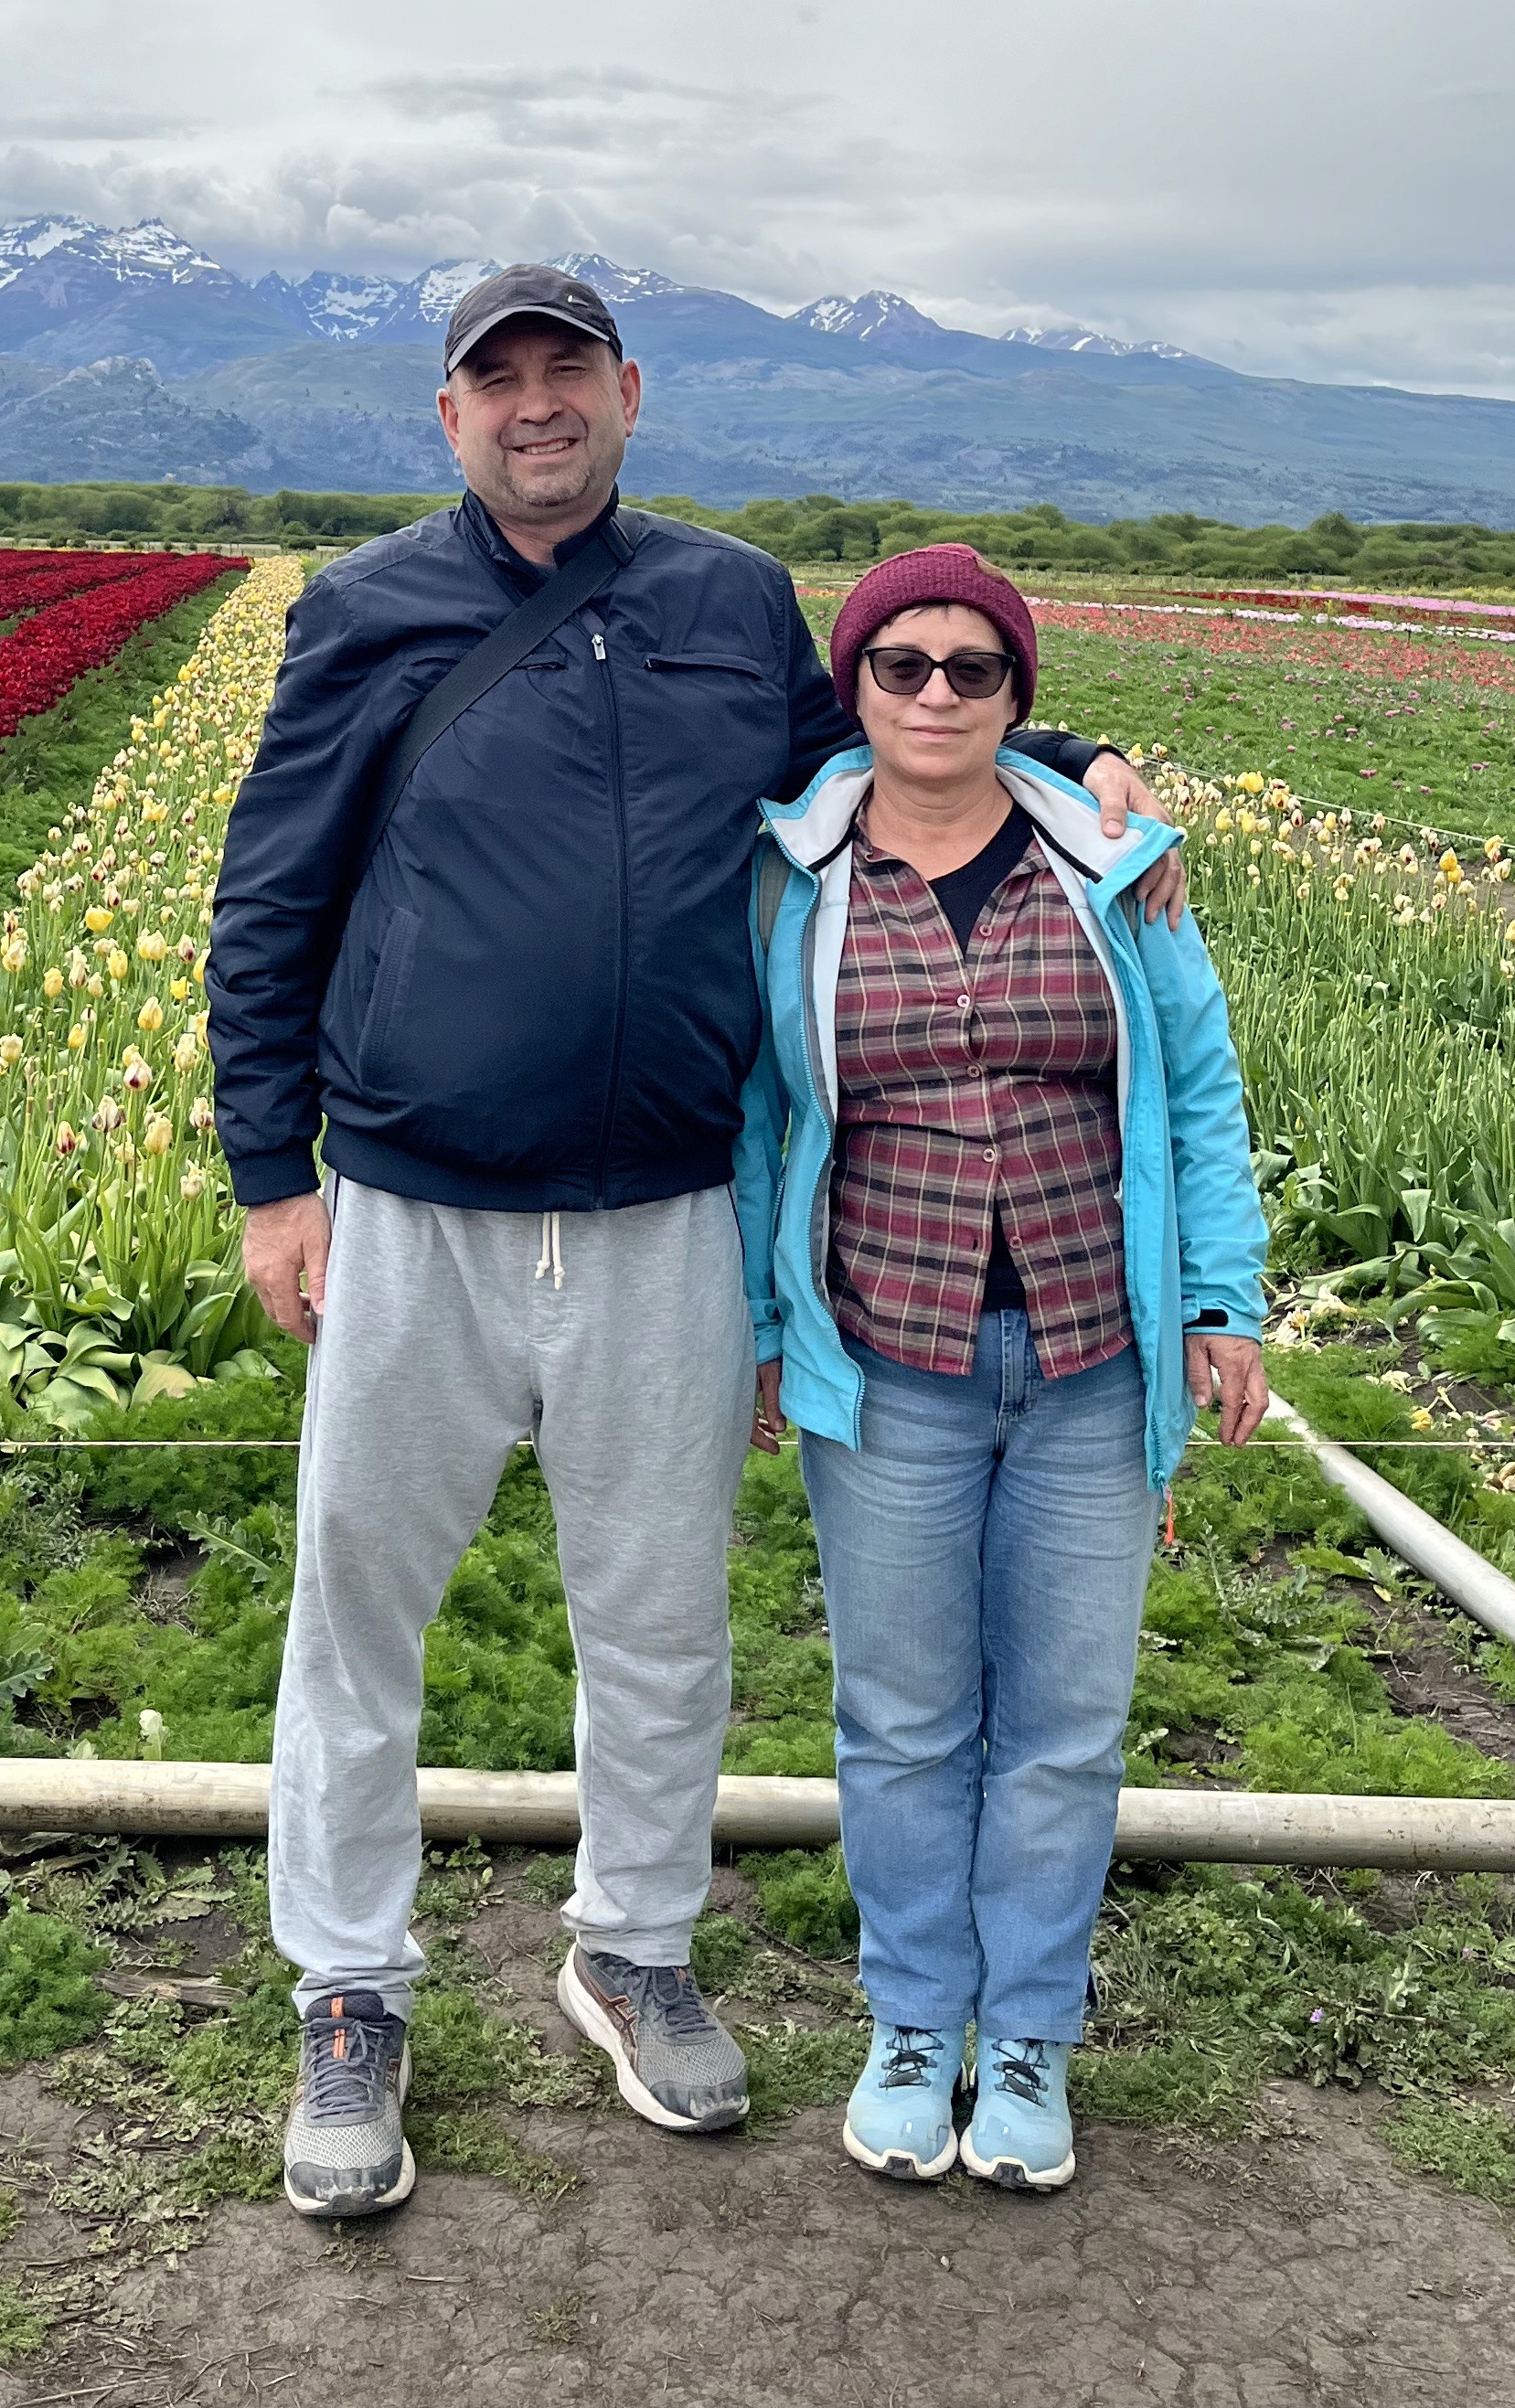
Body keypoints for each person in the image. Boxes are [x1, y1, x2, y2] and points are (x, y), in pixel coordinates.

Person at [205, 266, 1184, 2222]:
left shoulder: (730, 602)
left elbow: (886, 758)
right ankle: (350, 1987)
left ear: (631, 394)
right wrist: (271, 1173)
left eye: (570, 373)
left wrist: (1063, 757)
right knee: (359, 1610)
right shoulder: (366, 609)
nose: (538, 406)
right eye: (502, 381)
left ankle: (633, 1947)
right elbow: (274, 888)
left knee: (658, 1620)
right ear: (451, 414)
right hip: (414, 1200)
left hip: (664, 1206)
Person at [737, 544, 1266, 2196]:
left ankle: (1026, 2034)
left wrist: (1225, 1301)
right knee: (898, 1719)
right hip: (890, 1357)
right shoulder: (788, 877)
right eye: (904, 667)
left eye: (976, 669)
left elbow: (1196, 1083)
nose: (940, 695)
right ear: (857, 691)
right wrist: (763, 1331)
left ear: (1022, 695)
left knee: (1061, 1724)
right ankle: (914, 2021)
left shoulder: (1115, 866)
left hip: (1096, 1357)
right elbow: (761, 1119)